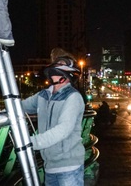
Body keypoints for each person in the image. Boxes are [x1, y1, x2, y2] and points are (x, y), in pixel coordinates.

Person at [21, 56, 86, 185]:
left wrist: (31, 142)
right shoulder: (44, 95)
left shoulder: (73, 97)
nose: (56, 66)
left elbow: (63, 129)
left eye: (61, 64)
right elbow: (21, 106)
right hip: (49, 166)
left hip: (69, 167)